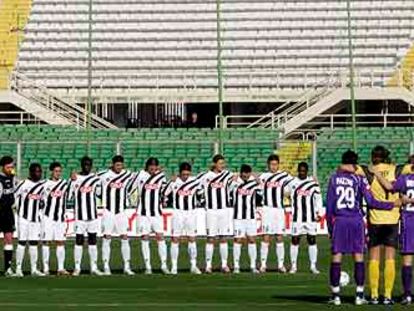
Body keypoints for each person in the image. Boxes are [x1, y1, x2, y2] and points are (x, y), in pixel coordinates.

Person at [326, 150, 404, 306]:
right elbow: (371, 202)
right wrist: (392, 204)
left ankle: (335, 296)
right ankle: (359, 295)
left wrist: (330, 228)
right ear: (355, 164)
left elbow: (329, 207)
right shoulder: (360, 179)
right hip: (356, 221)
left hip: (340, 220)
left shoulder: (333, 180)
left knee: (337, 257)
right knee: (359, 257)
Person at [359, 146, 400, 305]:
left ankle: (374, 295)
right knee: (390, 258)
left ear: (373, 157)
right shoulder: (396, 170)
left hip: (375, 220)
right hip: (392, 220)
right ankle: (388, 296)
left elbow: (346, 167)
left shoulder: (368, 171)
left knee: (374, 258)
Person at [369, 162, 414, 305]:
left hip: (409, 222)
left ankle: (407, 295)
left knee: (407, 259)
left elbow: (389, 187)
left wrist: (376, 173)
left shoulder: (405, 178)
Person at [164, 162, 203, 275]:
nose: (185, 176)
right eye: (183, 174)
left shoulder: (194, 182)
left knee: (192, 238)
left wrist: (199, 202)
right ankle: (174, 266)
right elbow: (165, 194)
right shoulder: (174, 182)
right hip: (178, 213)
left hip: (191, 212)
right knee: (175, 239)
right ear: (179, 173)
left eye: (187, 174)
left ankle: (193, 265)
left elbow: (200, 193)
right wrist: (167, 202)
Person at [131, 157, 169, 274]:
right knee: (145, 238)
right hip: (142, 213)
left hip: (156, 213)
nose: (153, 168)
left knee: (160, 237)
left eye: (155, 166)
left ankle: (163, 265)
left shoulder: (160, 176)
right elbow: (130, 188)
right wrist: (131, 201)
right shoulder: (140, 175)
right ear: (147, 166)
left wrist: (165, 198)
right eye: (151, 166)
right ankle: (148, 266)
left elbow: (164, 191)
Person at [99, 155, 135, 276]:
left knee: (125, 237)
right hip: (108, 210)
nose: (119, 167)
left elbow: (142, 176)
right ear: (113, 164)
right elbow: (90, 178)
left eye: (121, 165)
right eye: (117, 165)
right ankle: (106, 266)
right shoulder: (104, 174)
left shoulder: (127, 174)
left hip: (121, 211)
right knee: (107, 238)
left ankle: (127, 266)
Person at [199, 155, 234, 273]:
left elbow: (237, 179)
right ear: (214, 164)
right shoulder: (206, 176)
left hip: (224, 210)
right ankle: (208, 265)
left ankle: (224, 265)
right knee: (210, 238)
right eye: (220, 163)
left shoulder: (227, 174)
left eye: (223, 163)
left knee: (223, 237)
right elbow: (196, 186)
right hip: (211, 211)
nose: (222, 166)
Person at [69, 156, 103, 276]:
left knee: (93, 241)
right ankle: (77, 268)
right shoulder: (75, 178)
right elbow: (69, 195)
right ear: (82, 165)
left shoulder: (95, 178)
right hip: (80, 216)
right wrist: (72, 181)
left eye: (89, 165)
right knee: (79, 241)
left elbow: (99, 194)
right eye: (85, 164)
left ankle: (93, 267)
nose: (87, 167)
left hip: (93, 215)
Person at [286, 162, 323, 274]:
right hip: (297, 217)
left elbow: (318, 199)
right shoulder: (292, 183)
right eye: (300, 171)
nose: (302, 173)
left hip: (310, 217)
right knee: (295, 240)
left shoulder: (313, 184)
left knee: (311, 240)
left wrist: (319, 212)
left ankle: (313, 266)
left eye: (304, 171)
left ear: (307, 171)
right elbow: (285, 192)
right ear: (298, 171)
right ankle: (293, 266)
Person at [259, 154, 293, 273]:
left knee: (279, 236)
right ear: (268, 165)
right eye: (271, 164)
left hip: (279, 209)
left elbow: (295, 184)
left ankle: (280, 265)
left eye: (275, 164)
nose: (273, 166)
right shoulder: (263, 177)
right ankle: (263, 265)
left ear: (278, 165)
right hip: (267, 209)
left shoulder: (284, 176)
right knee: (266, 236)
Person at [14, 163, 46, 277]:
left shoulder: (42, 186)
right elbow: (14, 195)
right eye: (36, 171)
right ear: (31, 172)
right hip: (23, 218)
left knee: (33, 243)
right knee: (22, 242)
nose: (38, 174)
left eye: (40, 172)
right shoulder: (23, 184)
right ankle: (18, 269)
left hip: (35, 219)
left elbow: (42, 201)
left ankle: (34, 269)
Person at [230, 164, 262, 274]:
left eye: (248, 173)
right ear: (241, 173)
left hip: (251, 216)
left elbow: (261, 193)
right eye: (244, 173)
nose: (246, 175)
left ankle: (253, 266)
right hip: (238, 217)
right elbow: (229, 191)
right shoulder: (235, 183)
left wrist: (258, 181)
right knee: (238, 240)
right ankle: (236, 266)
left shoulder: (254, 183)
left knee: (252, 240)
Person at [41, 162, 70, 276]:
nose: (58, 173)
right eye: (56, 171)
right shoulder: (44, 184)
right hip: (47, 217)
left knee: (60, 242)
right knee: (46, 242)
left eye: (59, 171)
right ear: (51, 171)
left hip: (60, 218)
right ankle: (46, 268)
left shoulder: (64, 184)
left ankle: (61, 268)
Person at [0, 156, 17, 276]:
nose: (11, 169)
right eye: (8, 167)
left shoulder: (12, 177)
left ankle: (8, 268)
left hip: (8, 212)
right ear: (2, 167)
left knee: (9, 239)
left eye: (12, 167)